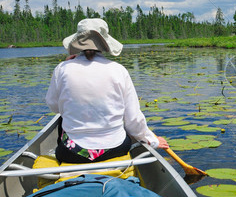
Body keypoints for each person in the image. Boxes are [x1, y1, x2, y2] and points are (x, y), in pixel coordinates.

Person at [46, 18, 168, 163]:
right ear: (105, 44)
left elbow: (54, 106)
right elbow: (133, 119)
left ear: (78, 42)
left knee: (62, 118)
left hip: (72, 152)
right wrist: (153, 141)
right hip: (115, 149)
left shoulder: (62, 69)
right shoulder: (119, 70)